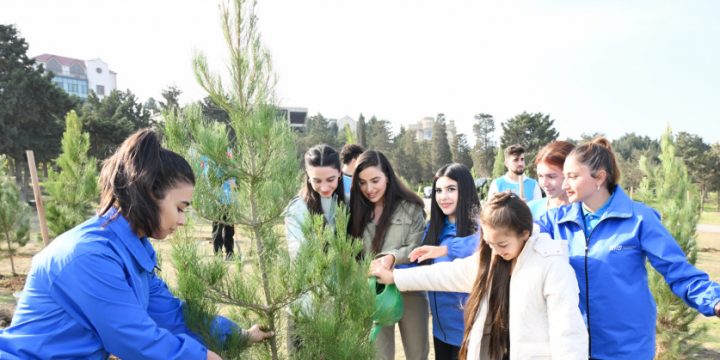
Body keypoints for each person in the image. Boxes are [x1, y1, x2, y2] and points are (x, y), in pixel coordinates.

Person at [0, 129, 272, 360]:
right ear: (150, 192)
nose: (182, 221)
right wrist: (201, 356)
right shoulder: (89, 256)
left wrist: (239, 335)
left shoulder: (131, 252)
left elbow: (172, 316)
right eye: (180, 208)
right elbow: (132, 338)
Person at [537, 137, 720, 359]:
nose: (564, 185)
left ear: (599, 177)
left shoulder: (639, 218)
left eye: (572, 177)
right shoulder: (555, 221)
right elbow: (517, 235)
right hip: (575, 346)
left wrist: (714, 300)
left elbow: (678, 271)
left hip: (626, 347)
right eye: (564, 177)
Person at [371, 192, 588, 360]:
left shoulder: (552, 266)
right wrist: (395, 278)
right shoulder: (492, 261)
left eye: (502, 244)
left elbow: (567, 332)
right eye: (490, 243)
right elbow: (444, 274)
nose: (496, 250)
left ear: (525, 232)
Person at [348, 150, 429, 360]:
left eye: (375, 180)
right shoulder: (354, 211)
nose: (369, 188)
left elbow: (417, 247)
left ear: (388, 176)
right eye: (362, 182)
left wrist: (392, 257)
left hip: (409, 288)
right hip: (373, 293)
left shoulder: (412, 208)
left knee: (417, 354)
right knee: (378, 356)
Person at [404, 163, 481, 360]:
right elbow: (416, 261)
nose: (443, 197)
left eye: (451, 189)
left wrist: (446, 249)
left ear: (465, 190)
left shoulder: (480, 228)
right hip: (441, 333)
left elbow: (482, 246)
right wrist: (388, 267)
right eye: (438, 190)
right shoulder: (434, 229)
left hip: (471, 334)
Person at [285, 144, 345, 259]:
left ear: (339, 173)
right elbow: (297, 253)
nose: (324, 188)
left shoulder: (348, 201)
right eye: (317, 181)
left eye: (330, 180)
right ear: (308, 176)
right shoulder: (297, 209)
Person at [526, 141, 575, 219]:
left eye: (551, 176)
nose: (544, 183)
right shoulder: (530, 210)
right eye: (540, 176)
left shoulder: (587, 212)